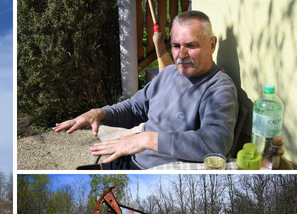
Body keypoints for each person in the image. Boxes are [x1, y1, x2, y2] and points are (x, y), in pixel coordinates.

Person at [53, 10, 238, 170]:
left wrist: (146, 139)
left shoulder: (219, 89)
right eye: (175, 46)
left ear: (212, 45)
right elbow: (135, 108)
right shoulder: (168, 74)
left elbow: (216, 144)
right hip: (130, 159)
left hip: (159, 175)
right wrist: (100, 113)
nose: (181, 55)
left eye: (191, 45)